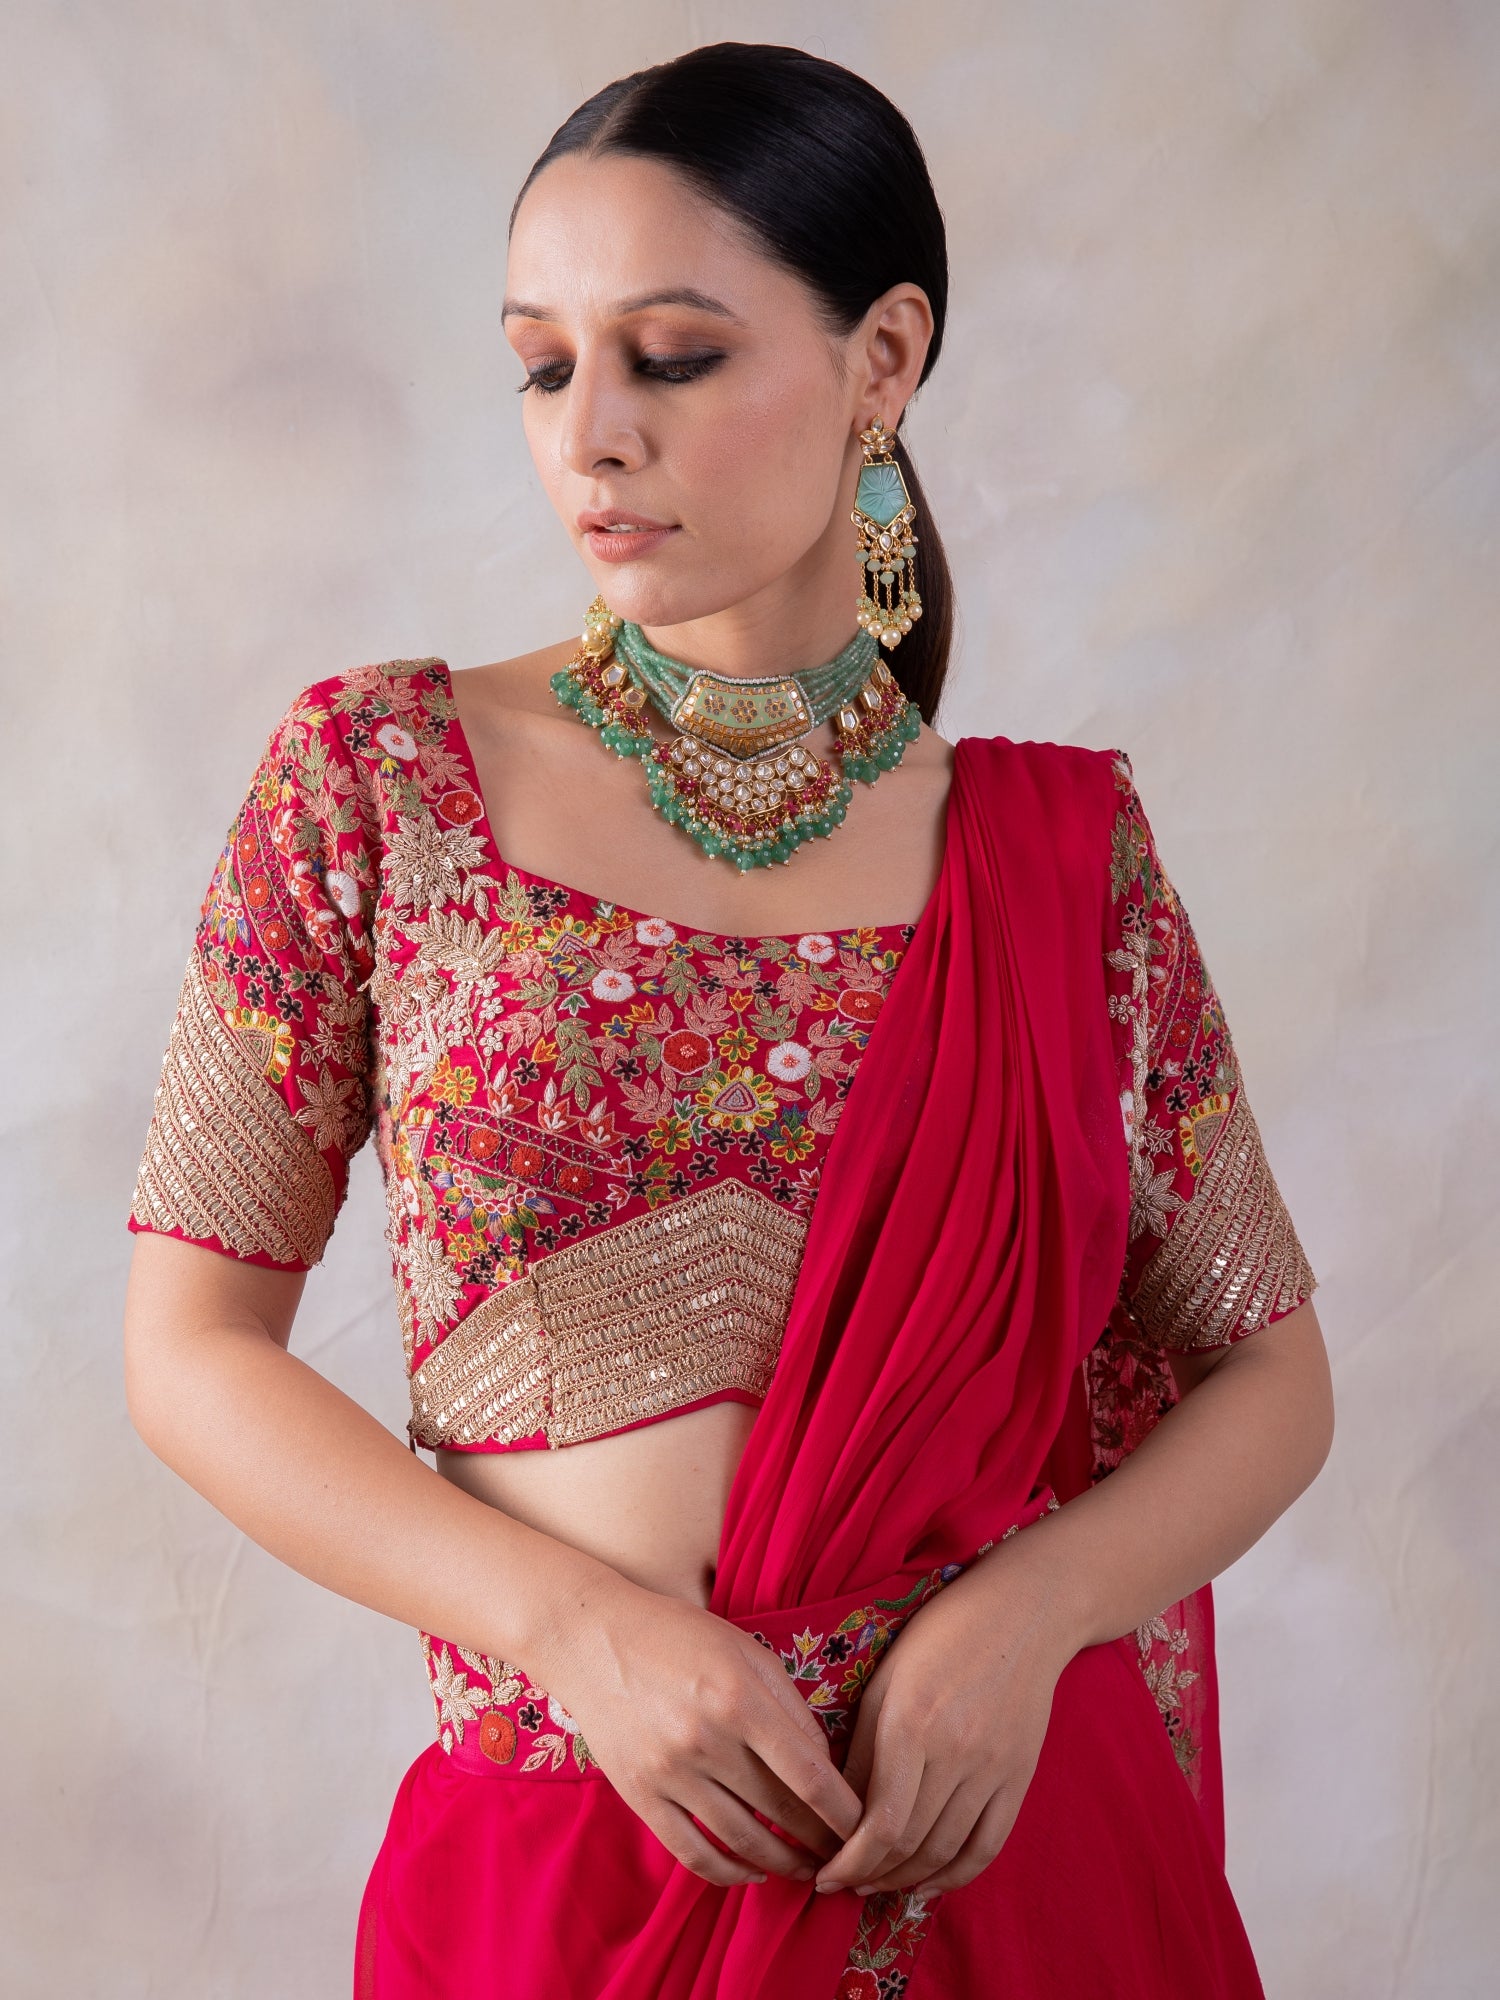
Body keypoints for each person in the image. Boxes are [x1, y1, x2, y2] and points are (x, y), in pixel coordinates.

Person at [121, 41, 1333, 2000]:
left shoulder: (1060, 855)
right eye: (543, 363)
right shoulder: (373, 781)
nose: (591, 432)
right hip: (566, 1862)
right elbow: (189, 1350)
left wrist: (1024, 1622)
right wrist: (573, 1632)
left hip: (1005, 1858)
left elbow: (1271, 1377)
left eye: (670, 356)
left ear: (883, 360)